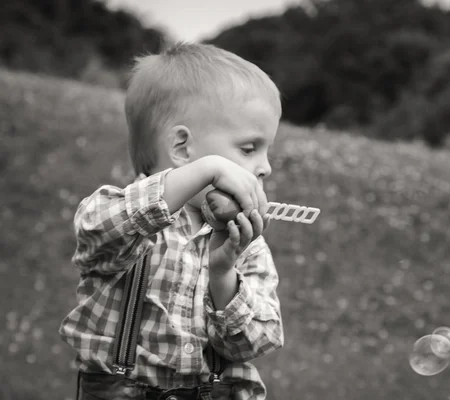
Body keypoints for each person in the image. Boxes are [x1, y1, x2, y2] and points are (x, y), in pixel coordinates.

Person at [59, 42, 284, 400]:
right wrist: (207, 171)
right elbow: (95, 231)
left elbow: (254, 343)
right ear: (182, 148)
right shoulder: (129, 216)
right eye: (248, 149)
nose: (266, 166)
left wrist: (223, 274)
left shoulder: (244, 242)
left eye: (266, 150)